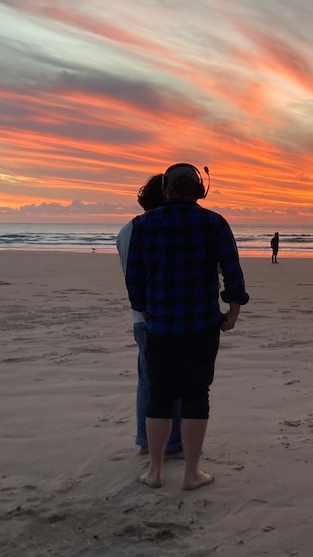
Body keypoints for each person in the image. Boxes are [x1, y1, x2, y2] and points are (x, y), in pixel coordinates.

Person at [126, 163, 249, 490]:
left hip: (161, 327)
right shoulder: (214, 222)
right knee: (196, 394)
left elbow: (134, 279)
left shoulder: (143, 225)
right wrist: (233, 311)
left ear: (165, 189)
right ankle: (192, 473)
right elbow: (232, 272)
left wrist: (147, 312)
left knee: (160, 396)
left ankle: (154, 472)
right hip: (201, 325)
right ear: (199, 190)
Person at [115, 174, 183, 459]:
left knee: (148, 378)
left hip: (139, 317)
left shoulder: (126, 230)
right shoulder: (161, 230)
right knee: (173, 382)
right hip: (163, 314)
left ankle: (146, 441)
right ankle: (170, 445)